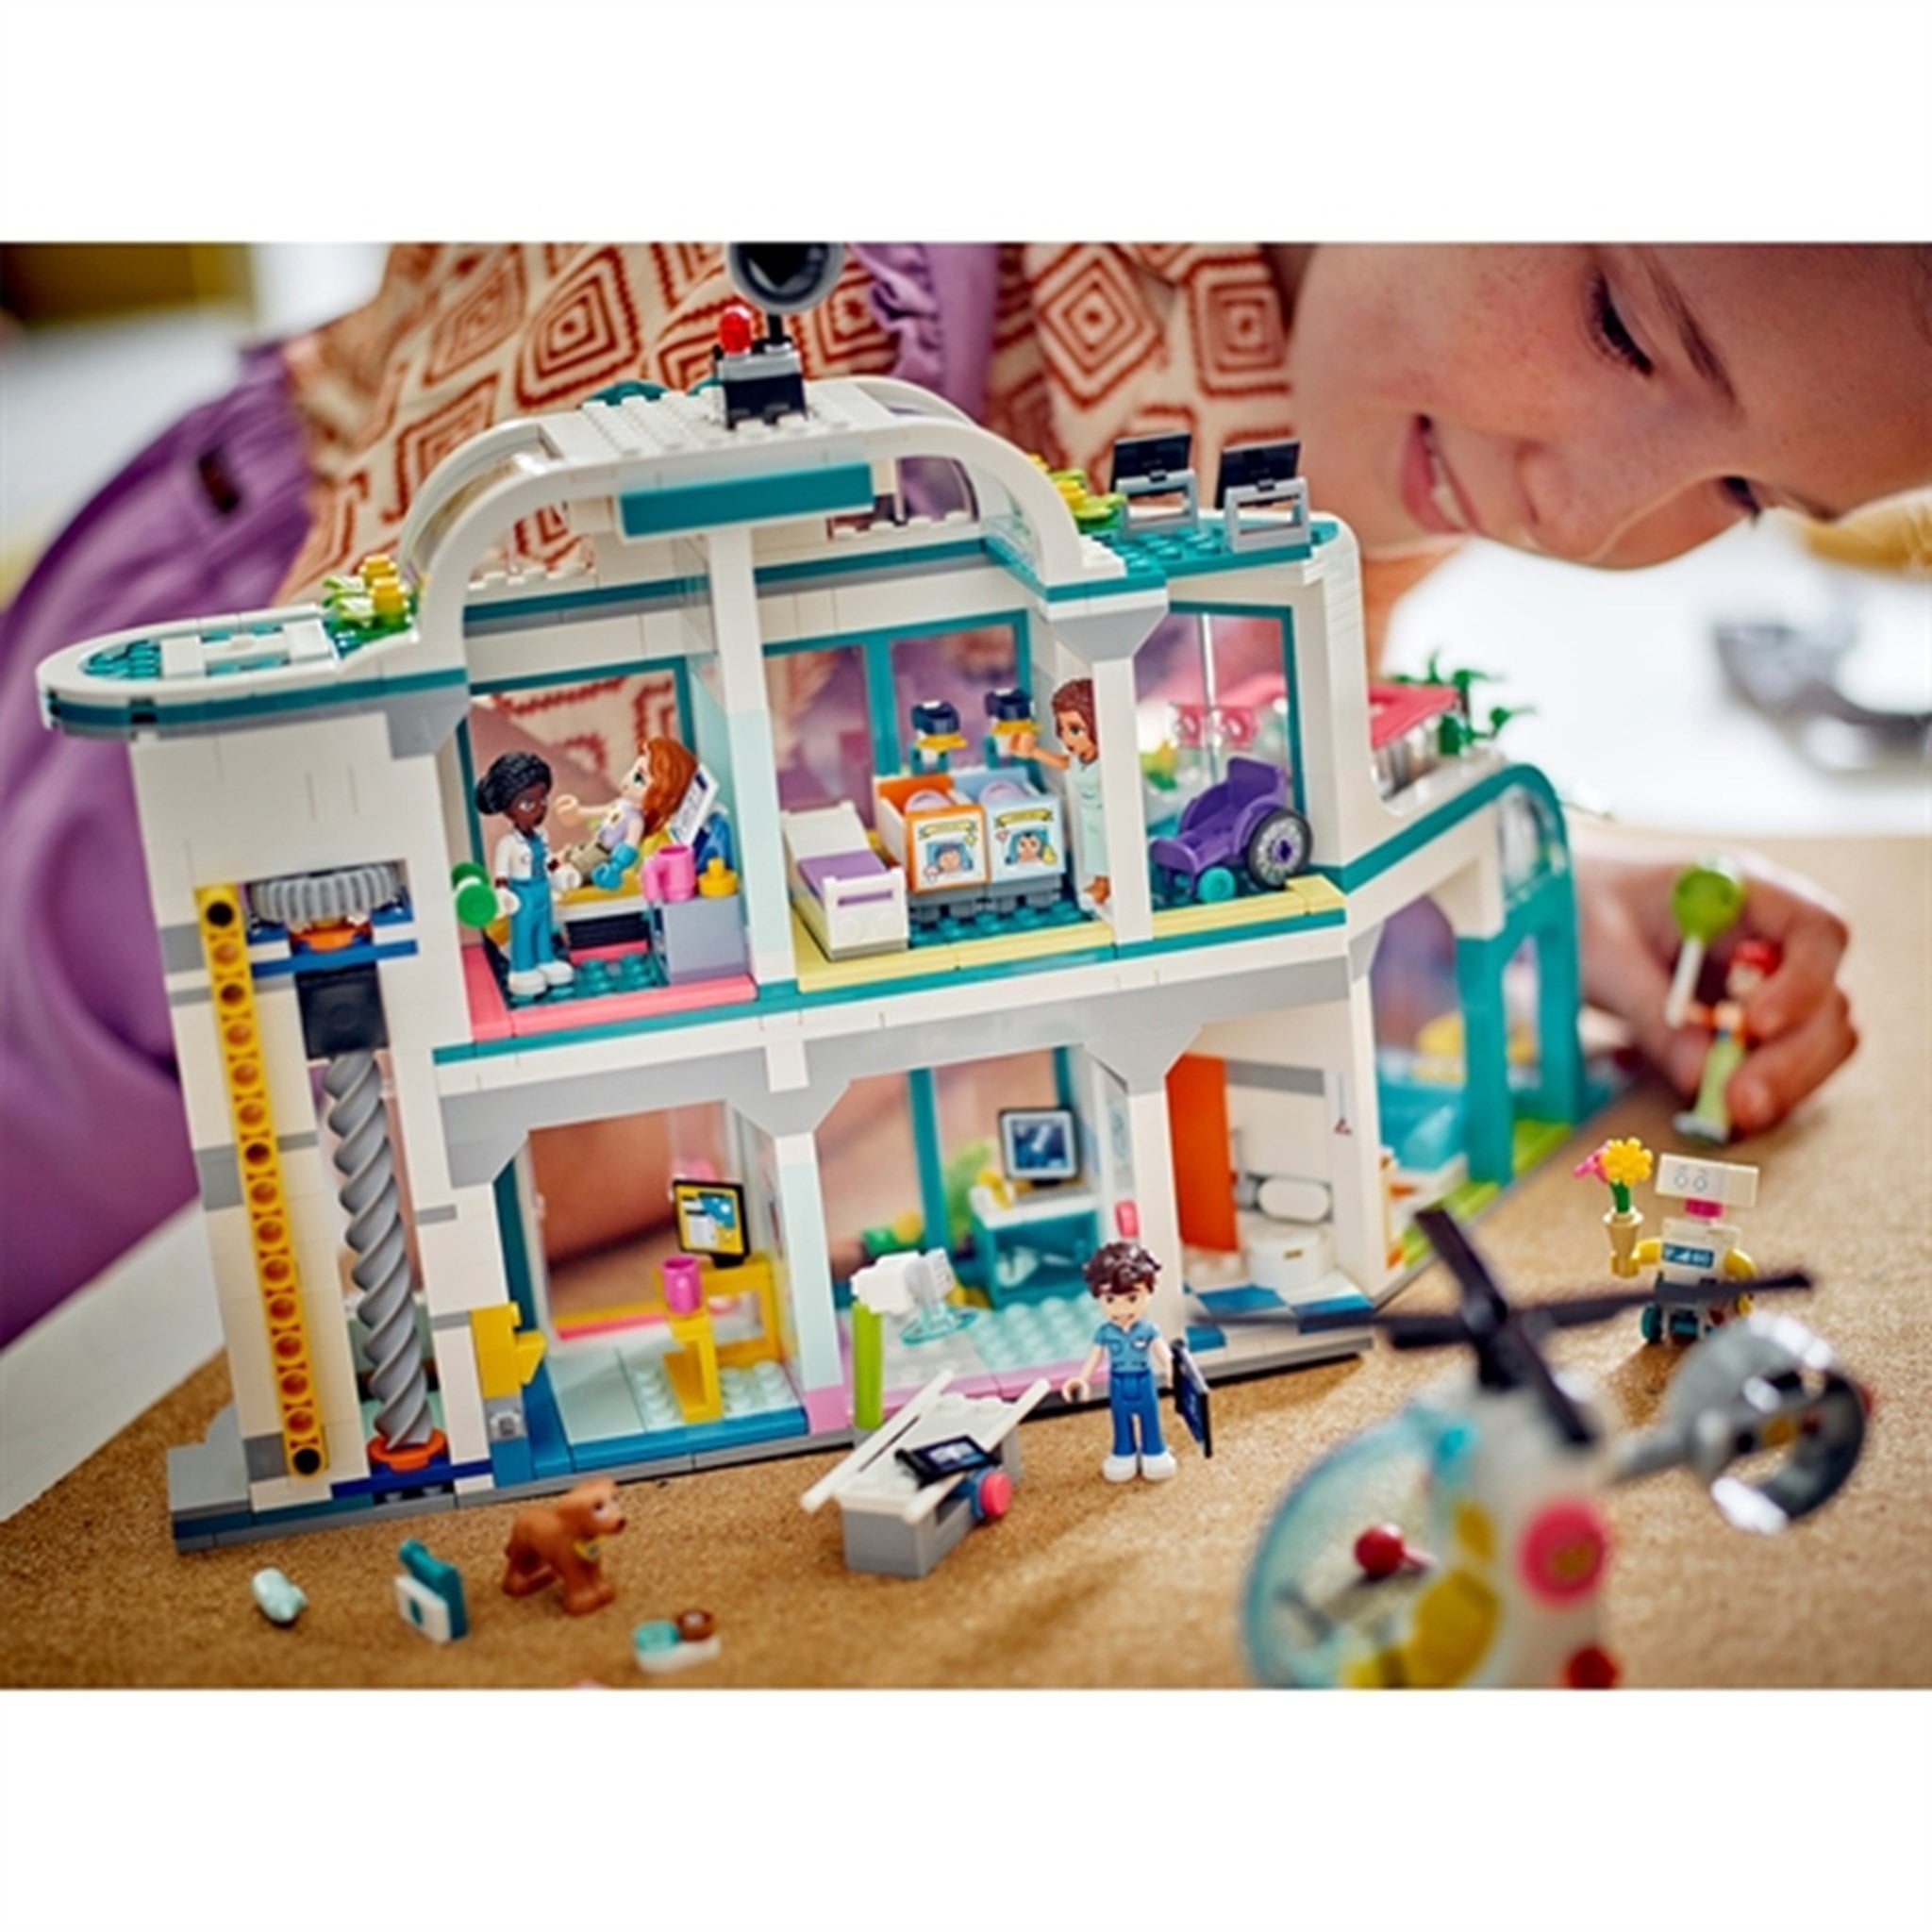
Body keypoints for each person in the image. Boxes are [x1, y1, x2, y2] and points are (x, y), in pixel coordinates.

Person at [4, 242, 1923, 1342]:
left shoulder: (1379, 381)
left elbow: (1220, 754)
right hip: (161, 1003)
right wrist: (1030, 1032)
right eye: (1621, 325)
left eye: (1744, 491)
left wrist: (1507, 893)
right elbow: (455, 1108)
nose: (1590, 508)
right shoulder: (757, 293)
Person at [1061, 1241, 1176, 1483]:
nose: (1121, 1309)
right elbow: (1094, 1357)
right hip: (1117, 1382)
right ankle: (1123, 1452)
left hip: (1144, 1381)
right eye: (1111, 1300)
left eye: (1132, 1298)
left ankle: (1154, 1450)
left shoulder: (1148, 1330)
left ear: (1148, 1292)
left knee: (1150, 1418)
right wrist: (1082, 1379)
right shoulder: (1105, 1333)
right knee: (1120, 1420)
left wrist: (1171, 1368)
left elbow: (1163, 1352)